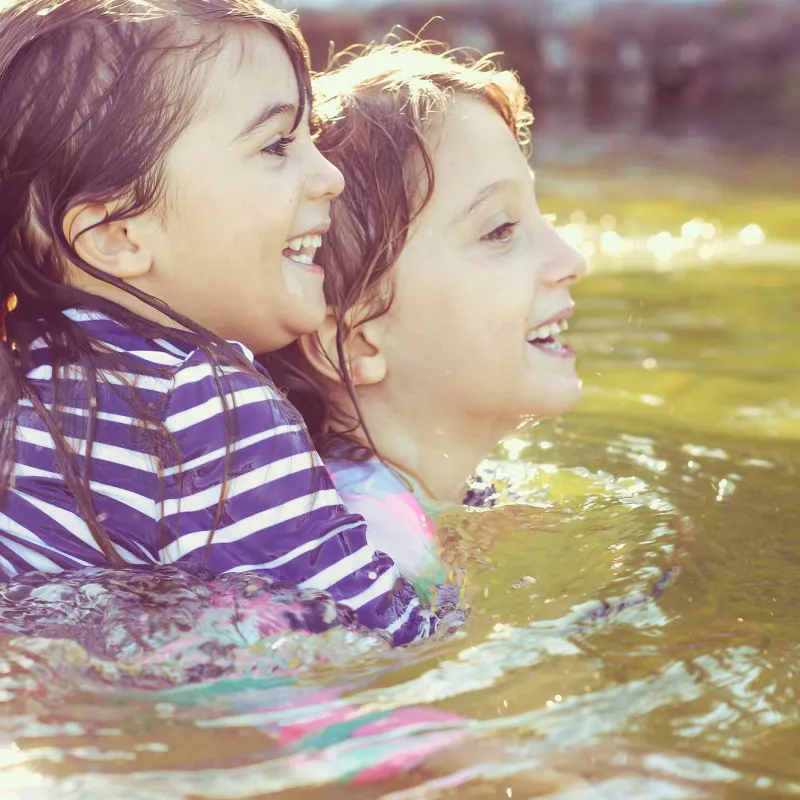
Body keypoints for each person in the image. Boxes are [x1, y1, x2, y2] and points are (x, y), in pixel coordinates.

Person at [0, 0, 435, 645]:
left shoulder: (30, 378)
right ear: (116, 235)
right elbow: (377, 639)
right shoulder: (203, 400)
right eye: (277, 145)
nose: (331, 176)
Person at [265, 43, 587, 587]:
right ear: (358, 341)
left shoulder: (388, 512)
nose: (571, 262)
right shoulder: (368, 550)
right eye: (501, 229)